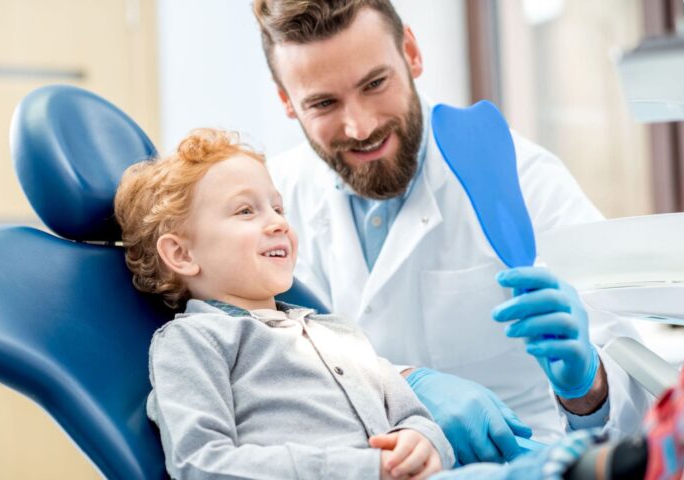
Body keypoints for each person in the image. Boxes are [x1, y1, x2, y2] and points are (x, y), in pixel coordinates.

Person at [251, 0, 651, 465]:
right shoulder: (269, 206)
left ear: (411, 53)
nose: (360, 126)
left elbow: (639, 403)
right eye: (323, 103)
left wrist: (588, 386)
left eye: (375, 83)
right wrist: (399, 382)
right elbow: (264, 373)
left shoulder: (524, 180)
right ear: (286, 101)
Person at [113, 128, 454, 479]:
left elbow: (414, 418)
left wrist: (421, 441)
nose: (277, 222)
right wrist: (365, 469)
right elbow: (201, 464)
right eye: (246, 210)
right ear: (182, 254)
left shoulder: (339, 332)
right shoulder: (195, 342)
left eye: (277, 207)